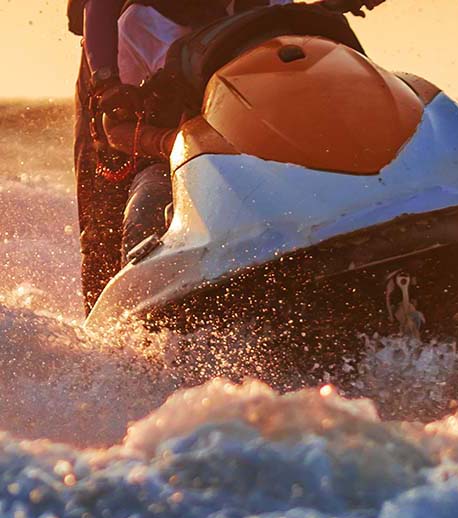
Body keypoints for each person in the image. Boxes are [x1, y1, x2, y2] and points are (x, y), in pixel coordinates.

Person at [69, 0, 385, 313]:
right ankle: (116, 342)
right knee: (118, 221)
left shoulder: (275, 6)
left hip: (258, 135)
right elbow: (116, 127)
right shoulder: (142, 25)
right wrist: (171, 139)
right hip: (162, 132)